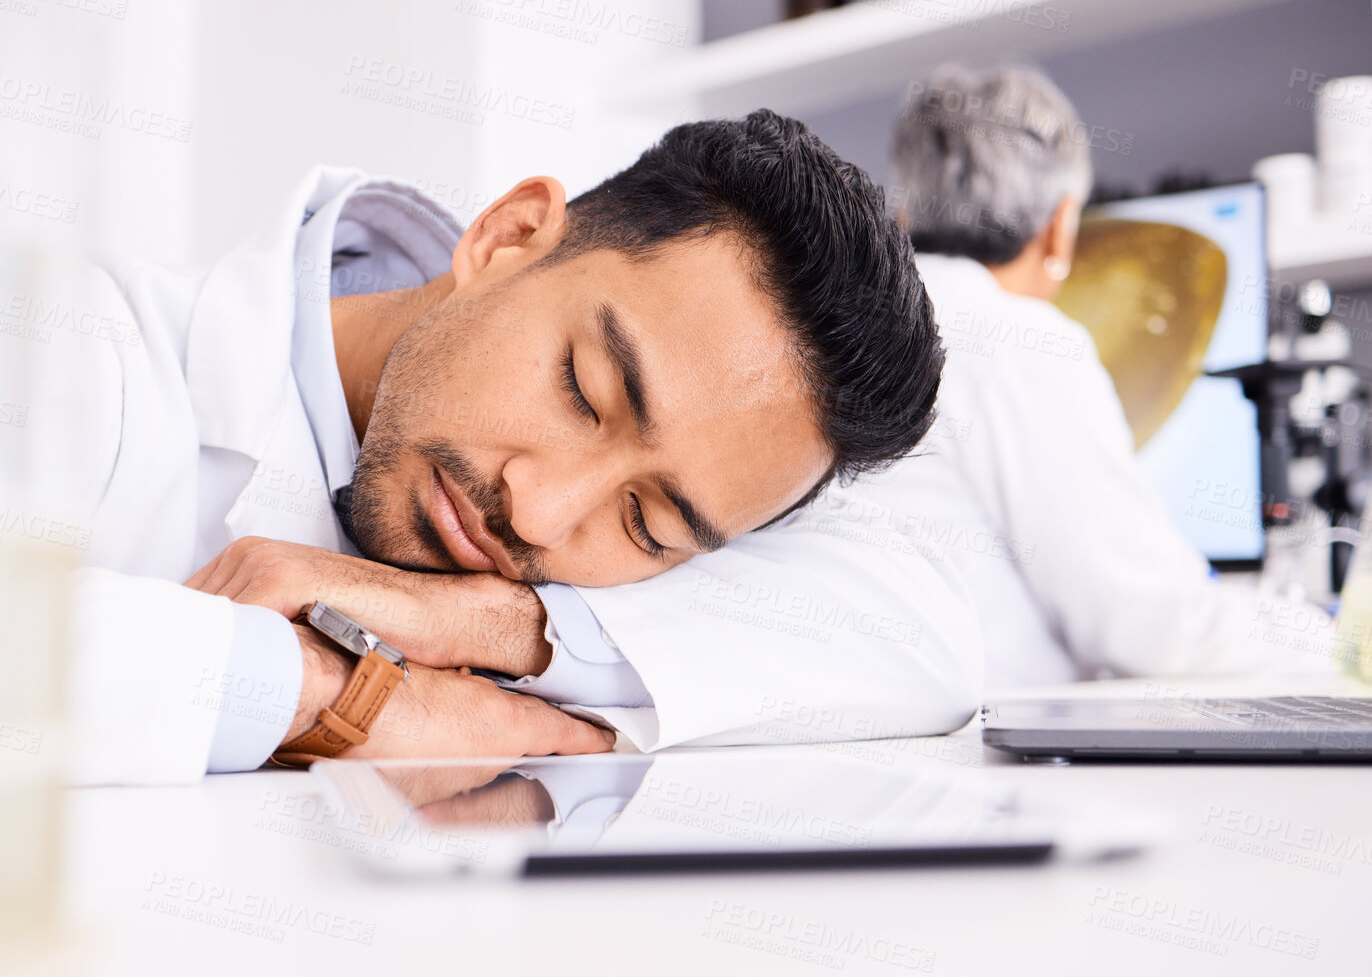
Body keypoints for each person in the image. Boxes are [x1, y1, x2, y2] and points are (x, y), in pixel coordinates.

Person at [69, 111, 984, 785]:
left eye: (648, 523)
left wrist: (488, 624)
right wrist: (328, 692)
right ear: (507, 238)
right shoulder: (85, 351)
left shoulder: (564, 564)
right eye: (584, 393)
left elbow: (929, 639)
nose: (541, 514)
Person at [868, 64, 1332, 688]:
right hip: (986, 754)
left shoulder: (848, 328)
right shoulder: (1020, 340)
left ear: (900, 215)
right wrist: (1339, 643)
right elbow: (1151, 631)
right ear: (1061, 227)